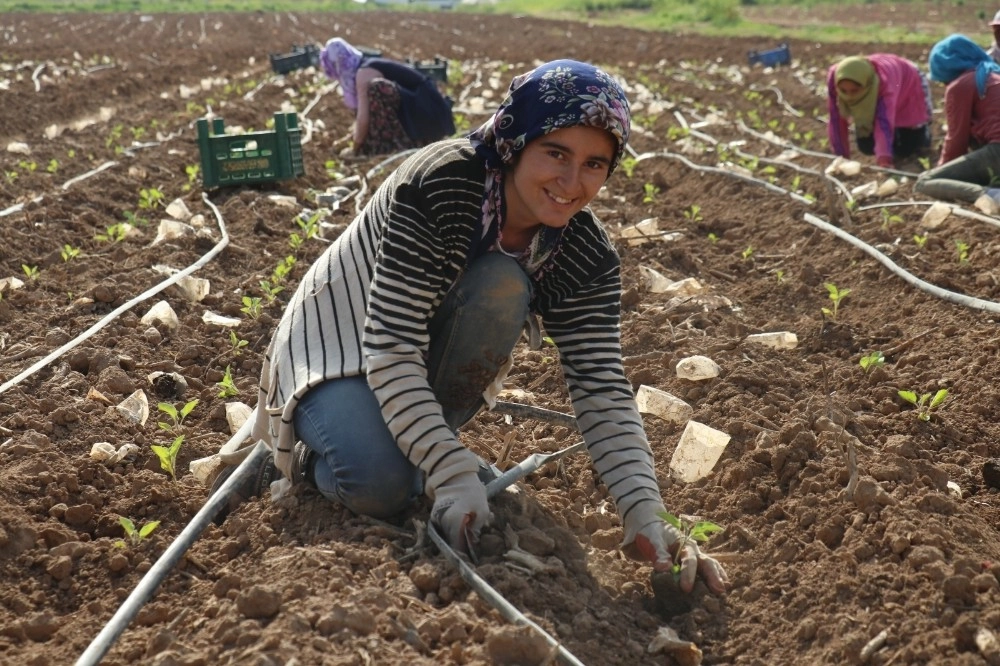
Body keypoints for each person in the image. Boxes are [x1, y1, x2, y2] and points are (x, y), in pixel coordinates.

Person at [211, 59, 728, 596]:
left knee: (500, 285)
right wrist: (450, 469)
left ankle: (420, 447)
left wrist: (645, 512)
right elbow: (390, 346)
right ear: (515, 140)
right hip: (336, 348)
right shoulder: (442, 184)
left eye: (595, 164)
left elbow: (601, 387)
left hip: (414, 358)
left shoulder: (584, 253)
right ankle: (302, 457)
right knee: (378, 485)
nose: (572, 183)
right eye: (556, 153)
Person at [319, 37, 455, 156]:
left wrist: (355, 149)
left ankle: (397, 145)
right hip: (424, 110)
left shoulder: (363, 73)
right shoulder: (364, 67)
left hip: (428, 110)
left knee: (376, 89)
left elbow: (363, 118)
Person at [914, 34, 1000, 214]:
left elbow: (956, 140)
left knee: (924, 182)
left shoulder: (961, 85)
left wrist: (941, 173)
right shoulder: (992, 75)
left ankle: (993, 195)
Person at [826, 53, 933, 168]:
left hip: (908, 82)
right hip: (890, 86)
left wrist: (884, 160)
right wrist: (841, 158)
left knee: (908, 149)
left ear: (866, 85)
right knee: (867, 145)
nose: (849, 96)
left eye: (855, 91)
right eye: (844, 91)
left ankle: (923, 135)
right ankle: (893, 144)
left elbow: (884, 122)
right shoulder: (835, 77)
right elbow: (836, 118)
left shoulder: (883, 82)